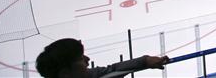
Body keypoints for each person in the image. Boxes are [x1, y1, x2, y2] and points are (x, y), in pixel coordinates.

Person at [35, 37, 168, 78]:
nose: (88, 60)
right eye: (81, 59)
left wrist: (145, 61)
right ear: (65, 74)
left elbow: (112, 70)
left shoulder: (88, 76)